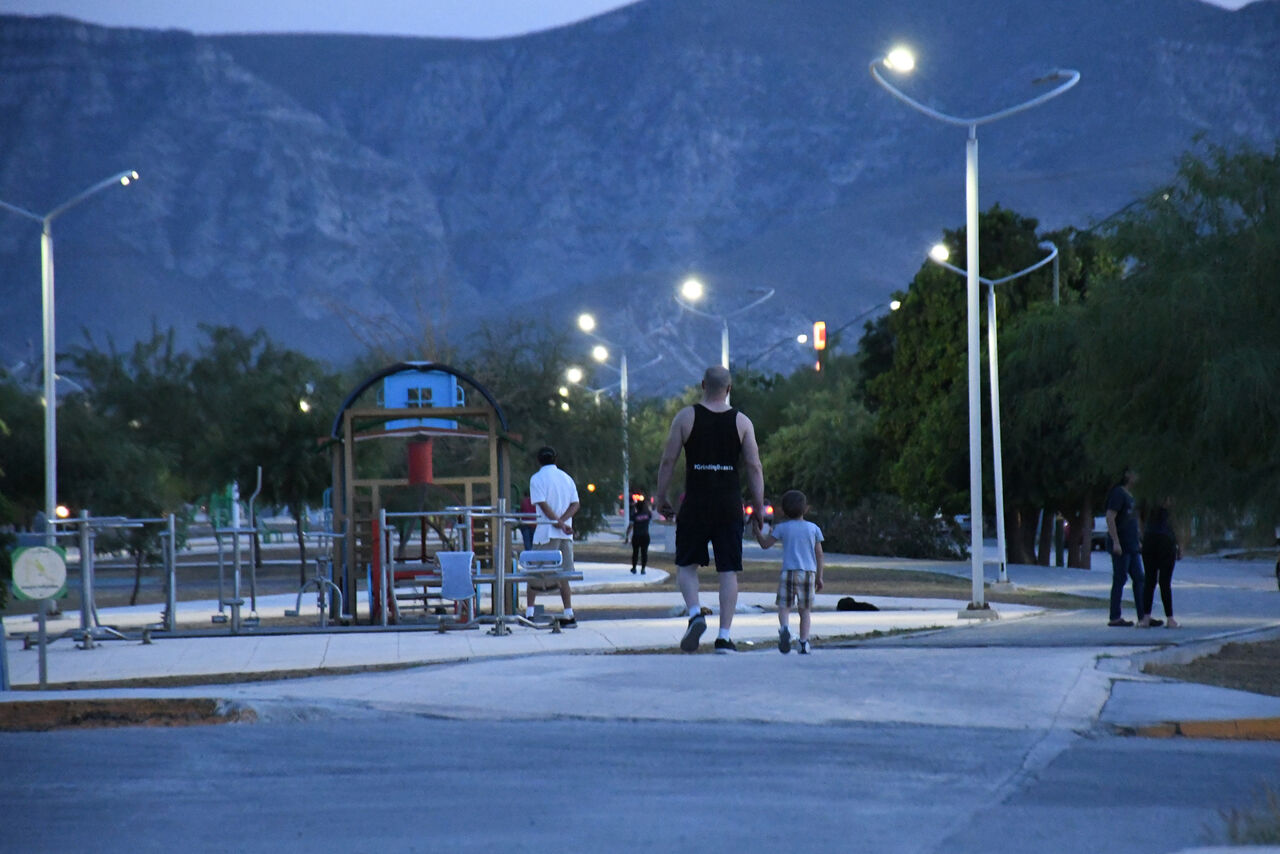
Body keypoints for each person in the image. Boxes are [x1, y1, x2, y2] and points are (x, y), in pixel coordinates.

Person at [655, 366, 765, 653]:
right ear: (728, 389)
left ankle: (694, 614)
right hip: (729, 504)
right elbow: (754, 466)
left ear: (703, 385)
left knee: (686, 565)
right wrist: (758, 506)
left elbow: (668, 460)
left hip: (696, 502)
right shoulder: (742, 422)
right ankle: (724, 638)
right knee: (728, 570)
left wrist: (660, 497)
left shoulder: (686, 417)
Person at [755, 489, 824, 654]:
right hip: (808, 573)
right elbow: (819, 554)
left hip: (788, 572)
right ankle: (803, 642)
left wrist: (757, 532)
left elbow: (765, 545)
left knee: (784, 607)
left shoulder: (782, 528)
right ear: (805, 509)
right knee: (805, 611)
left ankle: (785, 628)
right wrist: (819, 577)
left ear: (783, 511)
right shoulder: (813, 528)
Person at [528, 446, 580, 626]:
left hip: (545, 532)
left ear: (538, 460)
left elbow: (542, 504)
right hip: (565, 535)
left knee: (534, 571)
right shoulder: (567, 478)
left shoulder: (536, 479)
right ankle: (568, 612)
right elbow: (575, 504)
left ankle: (529, 612)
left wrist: (557, 522)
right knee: (563, 573)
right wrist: (564, 522)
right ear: (555, 459)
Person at [1105, 468, 1160, 628]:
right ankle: (1115, 617)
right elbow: (1110, 517)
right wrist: (1116, 541)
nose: (1138, 476)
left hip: (1132, 545)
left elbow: (1134, 521)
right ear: (1127, 474)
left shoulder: (1132, 495)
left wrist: (1139, 540)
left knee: (1139, 578)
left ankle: (1144, 616)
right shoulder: (1118, 493)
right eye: (1135, 472)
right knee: (1120, 578)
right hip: (1121, 545)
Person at [1141, 497, 1180, 628]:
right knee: (1165, 582)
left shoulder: (1147, 503)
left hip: (1149, 539)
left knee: (1149, 580)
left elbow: (1141, 522)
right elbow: (1177, 526)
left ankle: (1145, 618)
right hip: (1166, 541)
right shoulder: (1173, 510)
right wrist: (1180, 546)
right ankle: (1170, 618)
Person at [624, 497, 652, 575]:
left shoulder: (634, 516)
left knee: (635, 553)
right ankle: (643, 569)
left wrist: (627, 535)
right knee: (644, 553)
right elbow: (650, 512)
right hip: (645, 536)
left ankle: (634, 568)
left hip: (636, 536)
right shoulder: (647, 515)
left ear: (637, 507)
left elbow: (630, 526)